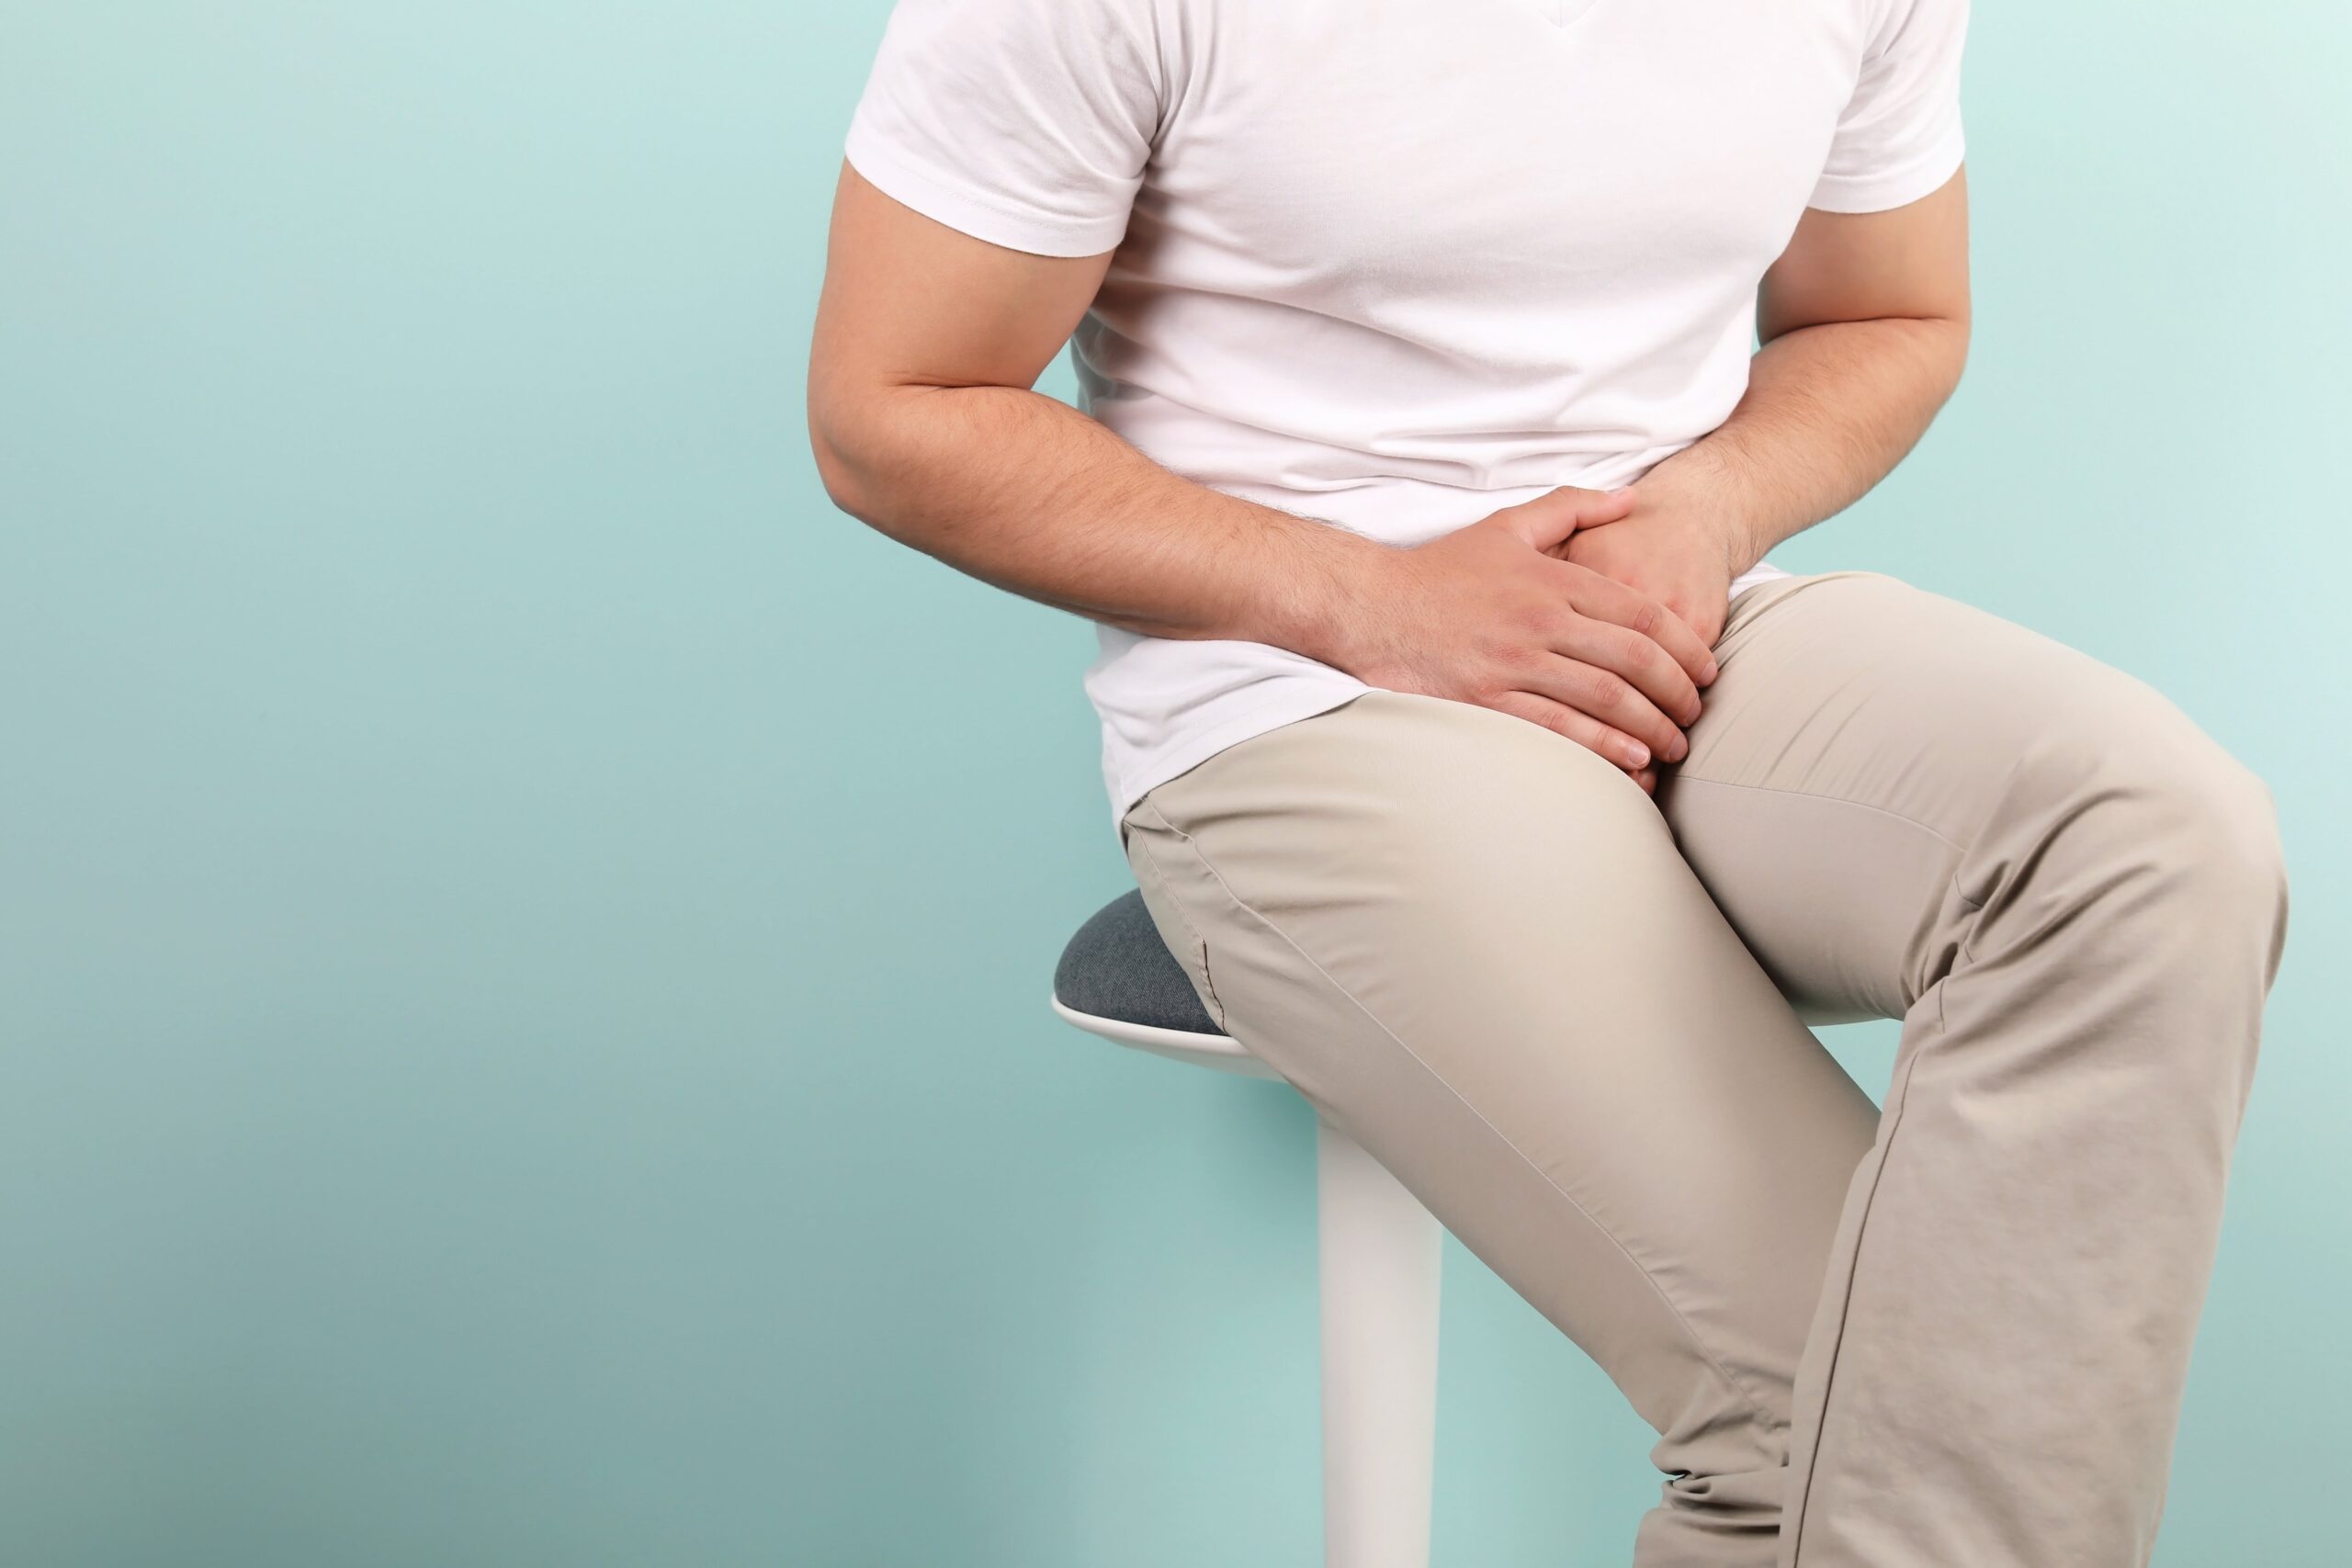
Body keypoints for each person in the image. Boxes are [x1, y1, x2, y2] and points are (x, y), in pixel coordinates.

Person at [806, 0, 2290, 1561]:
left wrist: (1707, 511)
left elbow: (1888, 314)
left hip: (1674, 615)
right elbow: (890, 409)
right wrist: (1377, 602)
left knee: (2150, 840)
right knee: (1838, 1389)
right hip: (1303, 687)